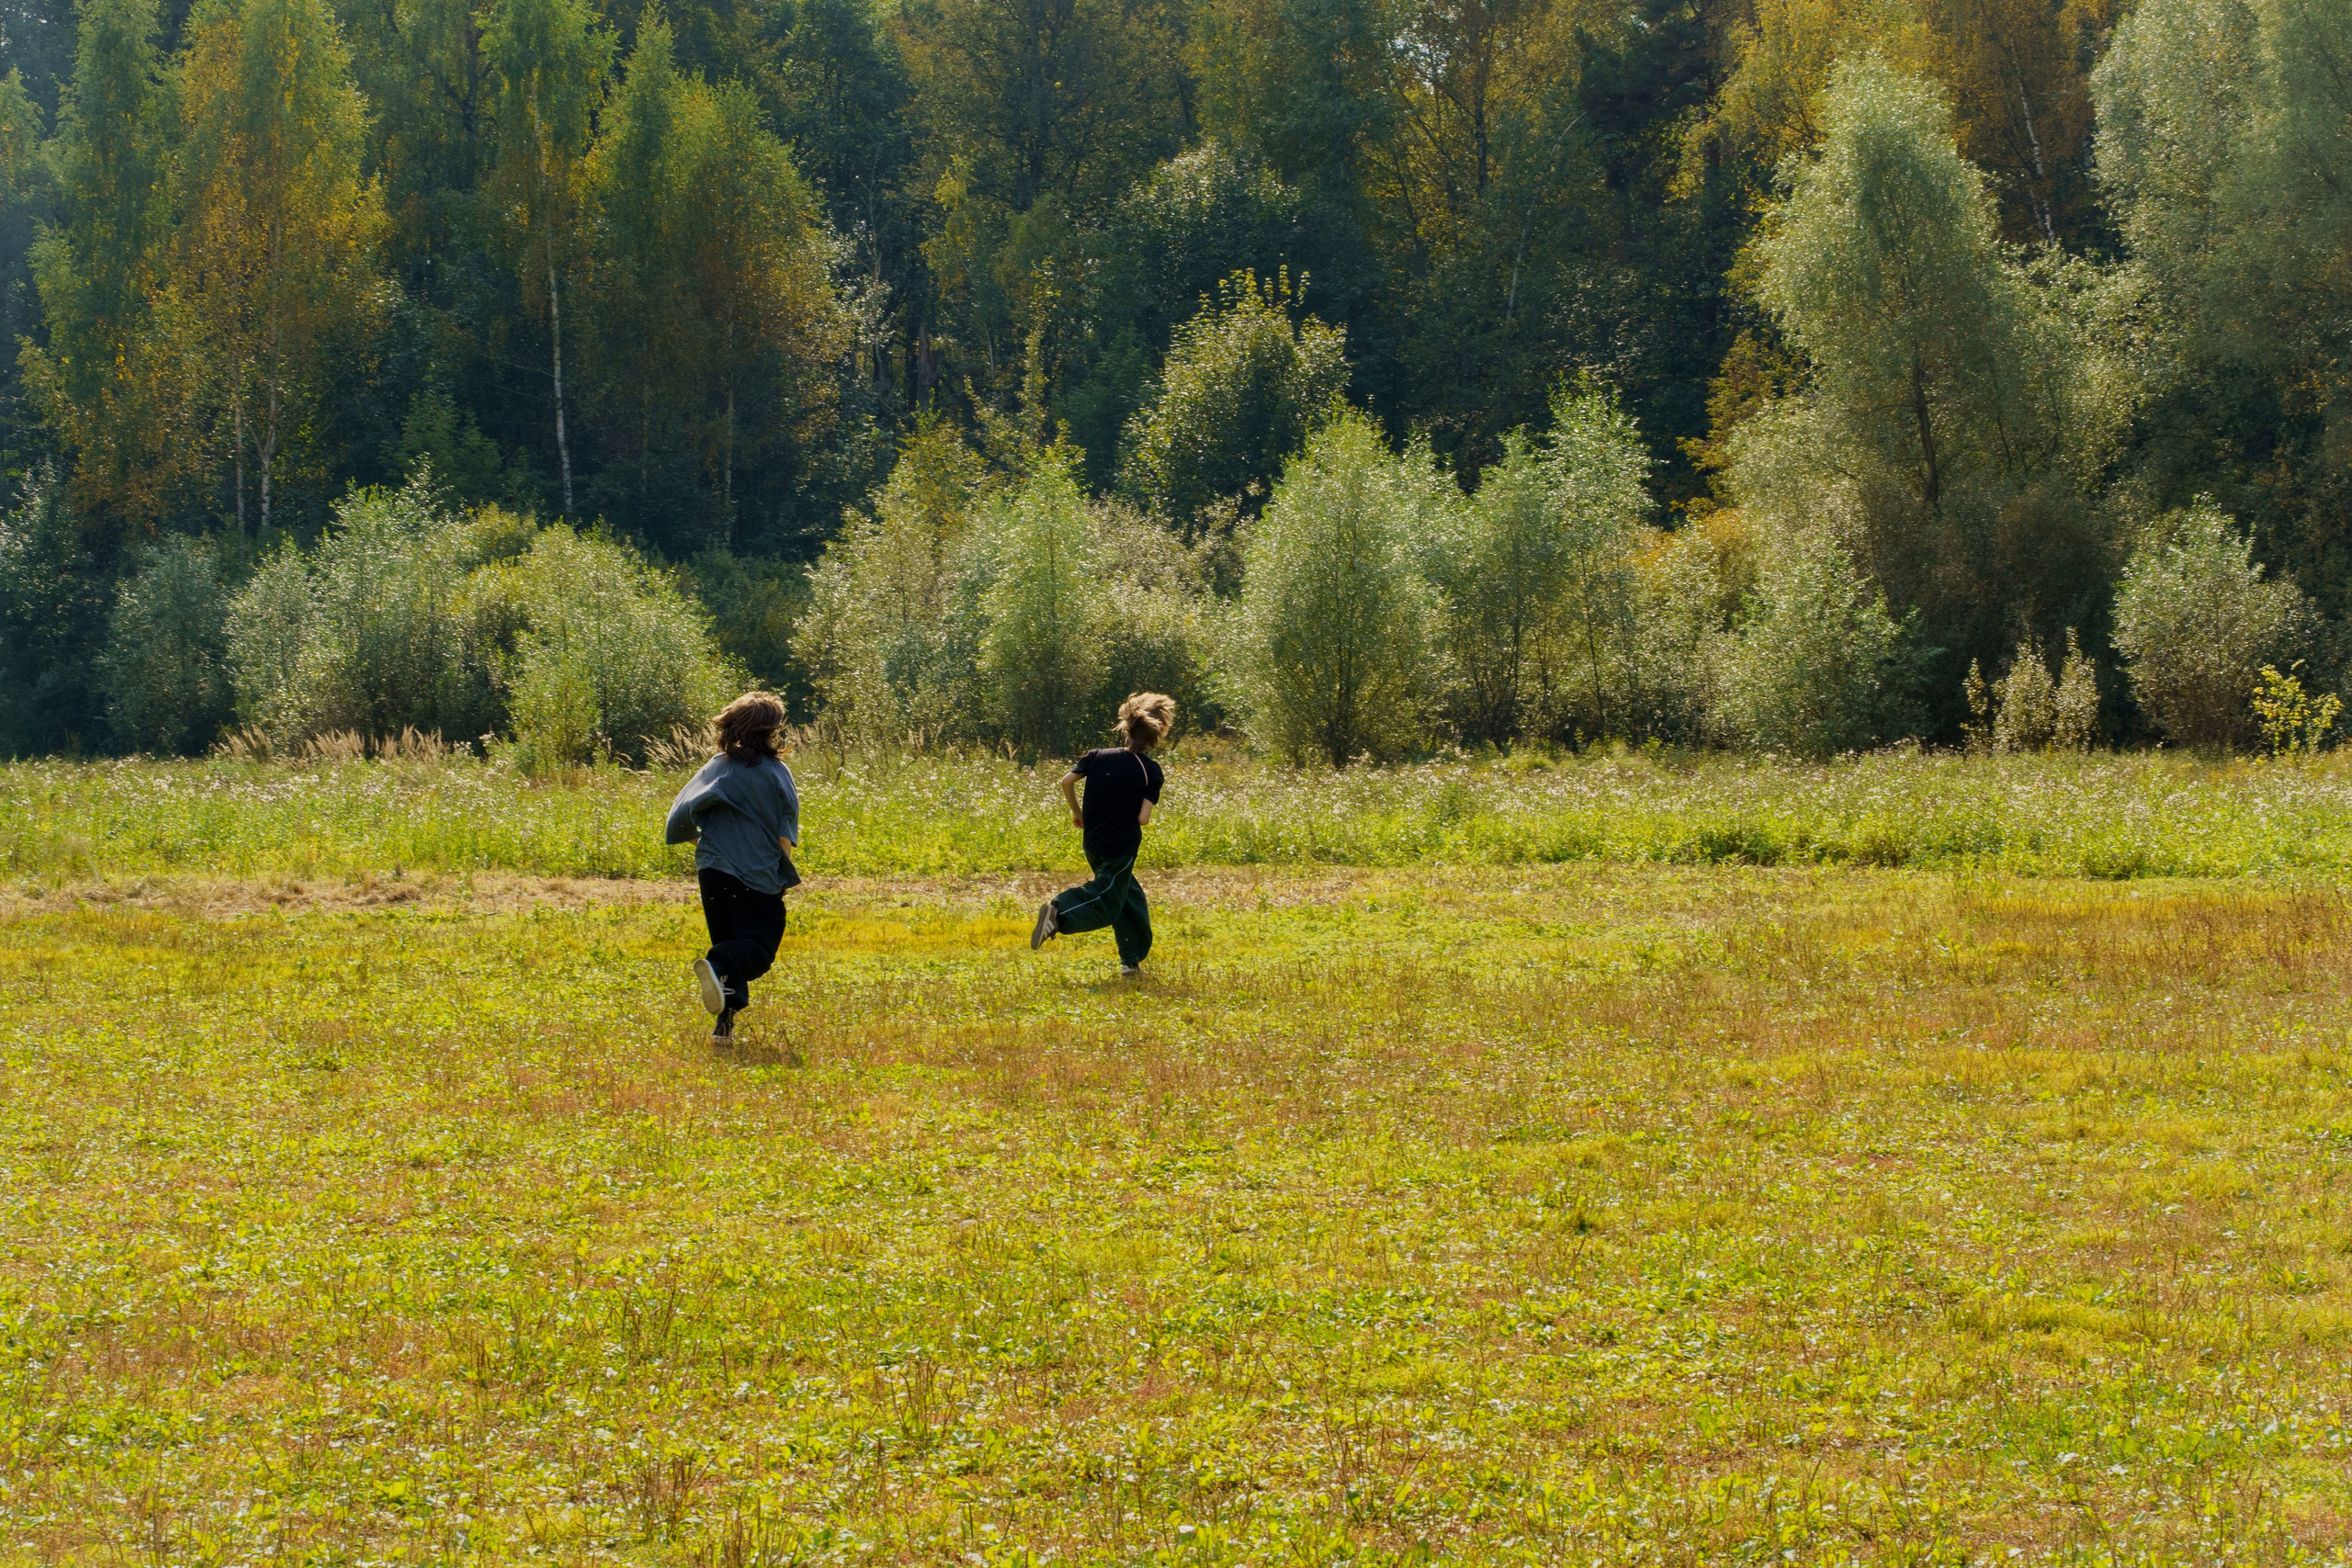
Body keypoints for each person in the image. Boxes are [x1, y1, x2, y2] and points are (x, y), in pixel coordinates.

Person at [664, 692, 799, 1043]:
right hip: (756, 874)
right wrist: (782, 875)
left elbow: (677, 821)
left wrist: (709, 846)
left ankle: (723, 1030)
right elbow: (784, 831)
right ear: (770, 730)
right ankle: (717, 963)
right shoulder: (776, 772)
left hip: (712, 872)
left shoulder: (715, 767)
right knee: (757, 951)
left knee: (731, 948)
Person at [1031, 693, 1175, 976]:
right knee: (1108, 902)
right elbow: (1143, 819)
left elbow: (1066, 782)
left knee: (1128, 898)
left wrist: (1078, 814)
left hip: (1093, 842)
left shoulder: (1097, 756)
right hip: (1120, 847)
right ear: (1156, 734)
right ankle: (1058, 913)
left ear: (1126, 726)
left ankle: (1130, 963)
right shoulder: (1150, 770)